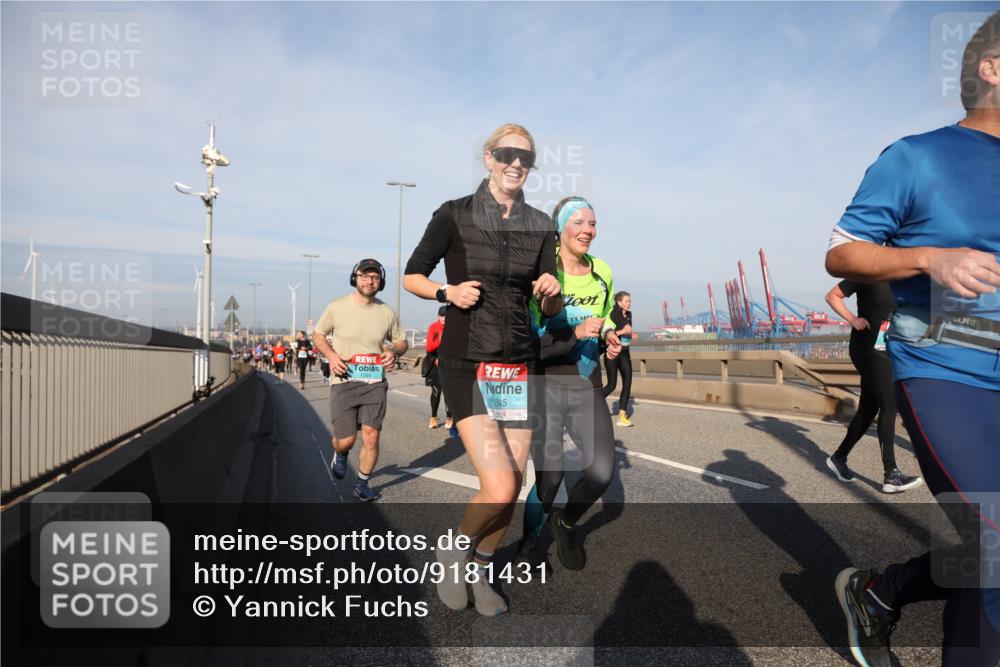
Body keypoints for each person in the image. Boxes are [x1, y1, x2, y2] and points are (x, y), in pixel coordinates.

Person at [826, 13, 1000, 666]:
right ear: (992, 67)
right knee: (991, 541)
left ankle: (881, 591)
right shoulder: (917, 156)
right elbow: (842, 255)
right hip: (945, 365)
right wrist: (929, 258)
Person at [403, 123, 561, 616]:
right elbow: (412, 275)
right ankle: (453, 551)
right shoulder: (455, 213)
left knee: (512, 484)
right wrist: (447, 293)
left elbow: (551, 309)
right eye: (508, 154)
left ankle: (482, 568)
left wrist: (552, 294)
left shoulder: (540, 224)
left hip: (519, 363)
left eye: (527, 158)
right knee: (498, 485)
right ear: (490, 158)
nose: (517, 163)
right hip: (466, 359)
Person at [521, 196, 622, 572]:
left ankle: (565, 524)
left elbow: (605, 315)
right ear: (560, 229)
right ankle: (530, 545)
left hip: (586, 383)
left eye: (593, 223)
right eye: (579, 222)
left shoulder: (603, 273)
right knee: (550, 480)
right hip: (545, 384)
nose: (588, 231)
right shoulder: (543, 277)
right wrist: (575, 331)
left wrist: (608, 335)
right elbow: (530, 343)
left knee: (600, 474)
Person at [312, 258, 408, 502]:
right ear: (355, 278)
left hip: (374, 382)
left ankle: (362, 484)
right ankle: (341, 453)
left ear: (381, 282)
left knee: (372, 436)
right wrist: (332, 356)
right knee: (346, 440)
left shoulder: (387, 312)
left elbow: (401, 341)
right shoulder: (337, 307)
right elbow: (318, 334)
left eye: (375, 277)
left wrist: (394, 352)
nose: (370, 281)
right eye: (365, 276)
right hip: (344, 380)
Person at [824, 281, 922, 493]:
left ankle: (838, 458)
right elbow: (832, 296)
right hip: (867, 348)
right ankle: (891, 475)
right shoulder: (865, 272)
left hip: (886, 348)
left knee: (868, 409)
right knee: (889, 404)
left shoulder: (901, 278)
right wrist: (852, 319)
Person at [602, 291, 635, 426]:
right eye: (626, 301)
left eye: (630, 301)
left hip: (625, 352)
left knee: (627, 383)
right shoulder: (613, 313)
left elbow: (627, 332)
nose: (629, 303)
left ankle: (622, 416)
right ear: (619, 302)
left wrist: (631, 334)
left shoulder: (629, 314)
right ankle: (592, 403)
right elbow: (608, 333)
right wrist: (624, 331)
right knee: (611, 385)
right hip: (612, 353)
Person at [423, 306, 453, 429]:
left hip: (449, 365)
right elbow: (429, 347)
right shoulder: (433, 327)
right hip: (434, 365)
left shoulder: (453, 328)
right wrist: (442, 339)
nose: (444, 318)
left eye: (446, 315)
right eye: (442, 315)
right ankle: (433, 418)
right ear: (438, 316)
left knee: (448, 393)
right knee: (436, 392)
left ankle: (449, 418)